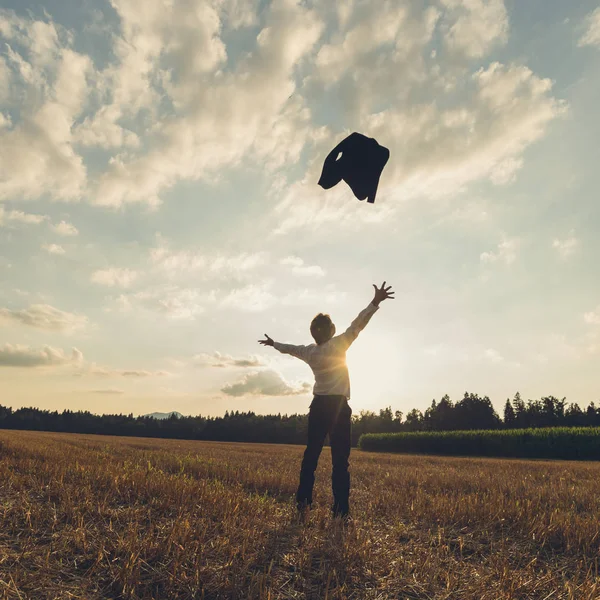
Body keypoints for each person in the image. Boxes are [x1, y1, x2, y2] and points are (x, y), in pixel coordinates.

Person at [258, 282, 394, 519]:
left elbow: (289, 348)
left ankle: (303, 502)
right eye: (332, 326)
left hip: (318, 407)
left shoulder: (310, 352)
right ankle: (340, 510)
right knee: (340, 461)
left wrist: (273, 344)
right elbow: (358, 324)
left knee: (311, 455)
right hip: (338, 408)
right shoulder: (339, 345)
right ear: (330, 331)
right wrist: (375, 303)